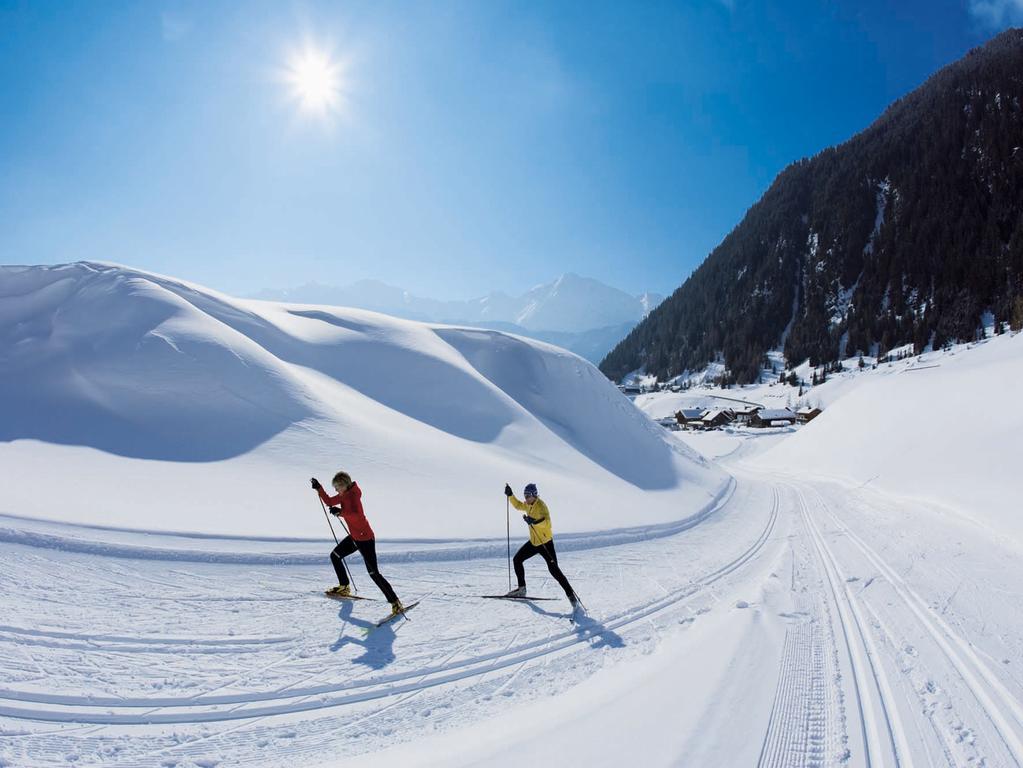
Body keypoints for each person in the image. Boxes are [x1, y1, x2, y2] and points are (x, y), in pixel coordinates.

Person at [312, 471, 404, 617]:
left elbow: (357, 515)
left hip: (365, 538)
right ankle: (344, 586)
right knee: (335, 555)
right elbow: (329, 501)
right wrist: (319, 488)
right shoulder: (344, 494)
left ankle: (395, 602)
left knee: (373, 573)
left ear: (344, 485)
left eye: (337, 487)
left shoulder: (353, 496)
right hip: (355, 537)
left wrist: (341, 513)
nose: (336, 490)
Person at [504, 482, 578, 606]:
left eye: (528, 496)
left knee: (554, 571)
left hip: (545, 543)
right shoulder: (528, 505)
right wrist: (510, 495)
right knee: (517, 559)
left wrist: (534, 522)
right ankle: (522, 590)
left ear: (534, 495)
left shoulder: (541, 506)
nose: (526, 498)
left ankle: (571, 596)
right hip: (534, 542)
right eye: (525, 495)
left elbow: (547, 524)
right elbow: (518, 506)